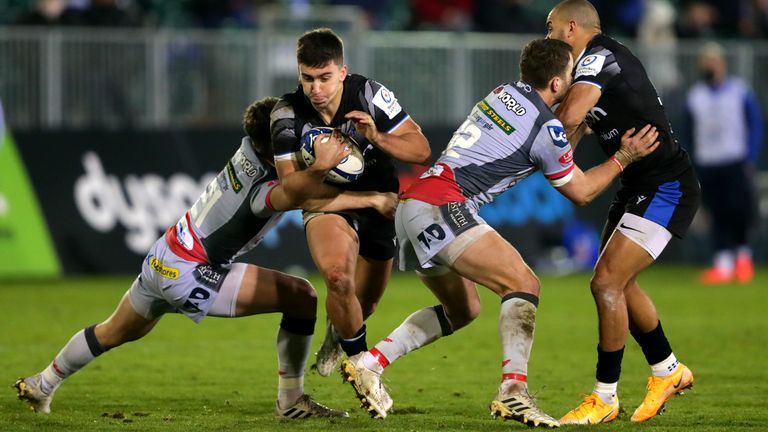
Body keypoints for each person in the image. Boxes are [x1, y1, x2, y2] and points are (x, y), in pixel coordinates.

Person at [339, 38, 660, 426]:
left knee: (464, 309)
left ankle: (370, 363)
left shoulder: (503, 93)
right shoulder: (548, 129)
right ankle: (513, 393)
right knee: (523, 283)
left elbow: (544, 149)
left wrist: (571, 134)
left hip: (415, 206)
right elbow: (581, 191)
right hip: (445, 205)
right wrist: (624, 157)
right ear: (558, 84)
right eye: (571, 76)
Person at [13, 97, 397, 419]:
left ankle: (42, 384)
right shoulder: (268, 186)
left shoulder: (248, 149)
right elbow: (300, 197)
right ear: (273, 145)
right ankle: (291, 400)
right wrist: (366, 194)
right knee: (303, 298)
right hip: (193, 271)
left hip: (165, 252)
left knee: (114, 330)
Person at [546, 0, 701, 424]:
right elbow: (570, 136)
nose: (547, 38)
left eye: (550, 28)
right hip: (637, 184)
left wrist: (543, 127)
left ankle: (605, 397)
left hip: (665, 184)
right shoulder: (588, 70)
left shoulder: (599, 56)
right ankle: (668, 371)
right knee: (621, 285)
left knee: (606, 283)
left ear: (571, 27)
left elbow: (571, 117)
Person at [270, 28, 431, 377]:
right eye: (307, 79)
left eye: (325, 78)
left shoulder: (370, 94)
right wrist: (319, 167)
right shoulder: (286, 113)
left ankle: (337, 334)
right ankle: (362, 368)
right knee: (339, 278)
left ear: (342, 72)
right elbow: (291, 191)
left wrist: (376, 136)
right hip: (327, 203)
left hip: (381, 204)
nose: (316, 89)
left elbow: (421, 149)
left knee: (367, 302)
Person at [684, 42, 762, 284]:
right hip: (709, 162)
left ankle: (742, 258)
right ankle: (722, 262)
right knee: (716, 212)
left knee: (739, 211)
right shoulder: (695, 96)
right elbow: (688, 132)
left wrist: (750, 156)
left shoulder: (740, 91)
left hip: (734, 159)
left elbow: (755, 125)